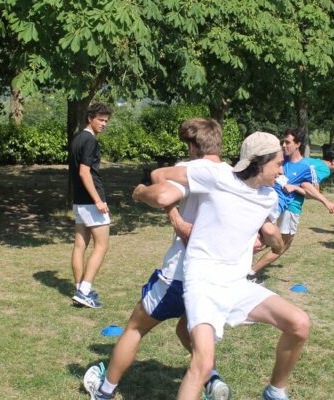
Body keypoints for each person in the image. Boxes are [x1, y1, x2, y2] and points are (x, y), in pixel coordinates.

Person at [137, 132, 311, 400]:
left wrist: (273, 241)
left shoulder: (269, 196)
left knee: (299, 324)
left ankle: (275, 391)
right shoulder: (217, 176)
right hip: (203, 283)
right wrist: (143, 194)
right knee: (203, 363)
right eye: (278, 164)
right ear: (259, 162)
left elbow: (269, 233)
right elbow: (160, 175)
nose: (281, 170)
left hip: (237, 283)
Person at [83, 118, 232, 400]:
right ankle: (212, 379)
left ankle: (104, 391)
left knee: (135, 328)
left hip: (181, 275)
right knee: (187, 329)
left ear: (193, 146)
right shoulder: (233, 173)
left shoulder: (193, 170)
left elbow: (162, 194)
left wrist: (142, 193)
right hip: (217, 278)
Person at [249, 129, 334, 280]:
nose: (284, 145)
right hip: (273, 206)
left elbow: (311, 190)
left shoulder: (307, 167)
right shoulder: (280, 159)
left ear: (298, 144)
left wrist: (296, 188)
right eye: (283, 142)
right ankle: (249, 273)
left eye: (287, 142)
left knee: (266, 240)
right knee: (279, 245)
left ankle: (244, 269)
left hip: (287, 208)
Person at [68, 102, 113, 308]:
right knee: (102, 245)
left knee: (80, 245)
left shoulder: (77, 139)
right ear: (90, 118)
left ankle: (79, 289)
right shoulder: (90, 141)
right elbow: (84, 173)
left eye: (106, 121)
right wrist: (98, 201)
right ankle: (85, 291)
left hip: (79, 201)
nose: (104, 124)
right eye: (100, 120)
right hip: (91, 201)